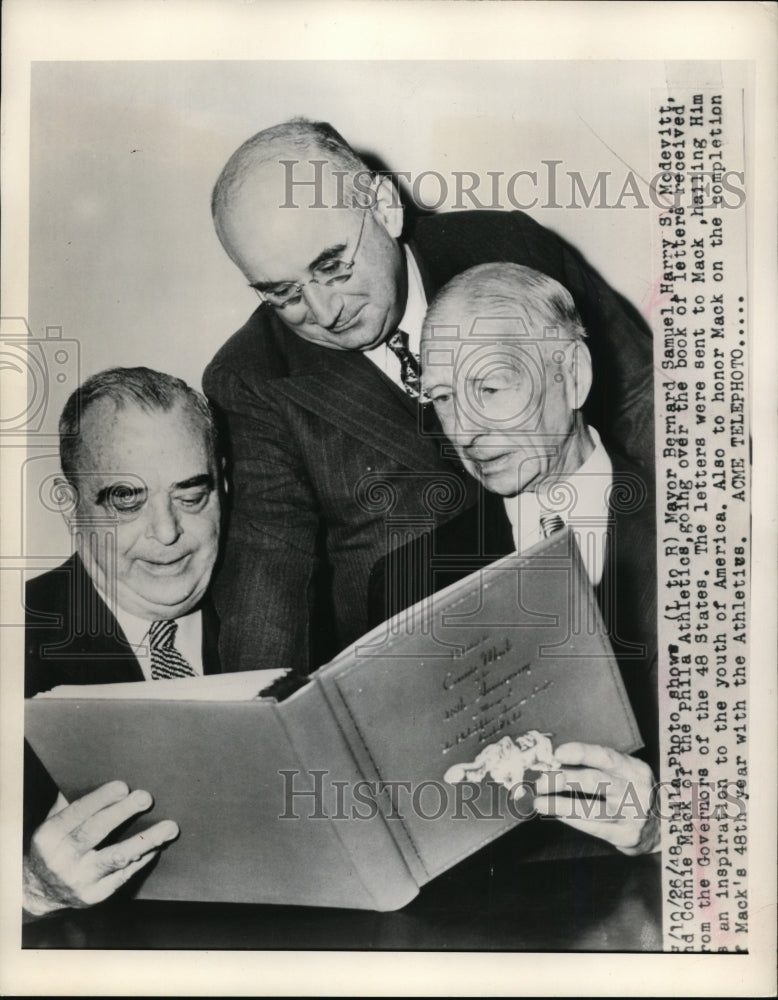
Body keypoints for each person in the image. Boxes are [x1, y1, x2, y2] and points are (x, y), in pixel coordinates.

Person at [204, 117, 655, 676]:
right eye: (284, 294)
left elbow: (647, 405)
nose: (324, 313)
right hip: (424, 668)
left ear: (385, 207)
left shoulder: (509, 246)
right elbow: (266, 576)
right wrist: (258, 720)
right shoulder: (254, 376)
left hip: (615, 598)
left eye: (332, 266)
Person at [368, 263, 659, 855]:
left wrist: (668, 828)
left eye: (491, 388)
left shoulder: (714, 533)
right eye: (444, 399)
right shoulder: (407, 582)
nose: (467, 431)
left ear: (572, 376)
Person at [24, 367, 224, 918]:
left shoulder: (294, 613)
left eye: (191, 494)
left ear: (223, 483)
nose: (166, 533)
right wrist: (30, 891)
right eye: (126, 500)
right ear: (71, 502)